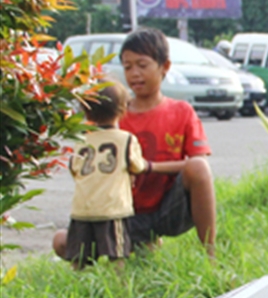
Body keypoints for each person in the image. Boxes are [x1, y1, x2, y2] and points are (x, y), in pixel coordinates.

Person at [52, 28, 217, 259]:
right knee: (61, 242)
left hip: (168, 209)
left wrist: (148, 167)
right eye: (128, 67)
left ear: (164, 66)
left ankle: (211, 255)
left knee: (199, 167)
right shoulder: (111, 116)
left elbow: (198, 162)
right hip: (121, 215)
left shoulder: (182, 111)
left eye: (142, 65)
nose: (135, 74)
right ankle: (140, 243)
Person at [64, 81, 148, 268]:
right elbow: (137, 166)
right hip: (112, 207)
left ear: (86, 112)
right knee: (117, 252)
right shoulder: (126, 139)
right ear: (122, 109)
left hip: (82, 208)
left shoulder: (81, 140)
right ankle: (120, 283)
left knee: (79, 255)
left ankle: (76, 281)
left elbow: (74, 169)